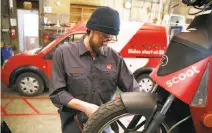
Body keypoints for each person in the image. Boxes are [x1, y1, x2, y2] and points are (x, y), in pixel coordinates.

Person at [49, 6, 140, 133]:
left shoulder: (115, 58)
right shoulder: (64, 53)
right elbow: (57, 93)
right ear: (91, 30)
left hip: (104, 124)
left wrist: (125, 101)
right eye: (103, 37)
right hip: (74, 123)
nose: (106, 42)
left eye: (111, 38)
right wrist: (86, 107)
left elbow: (134, 89)